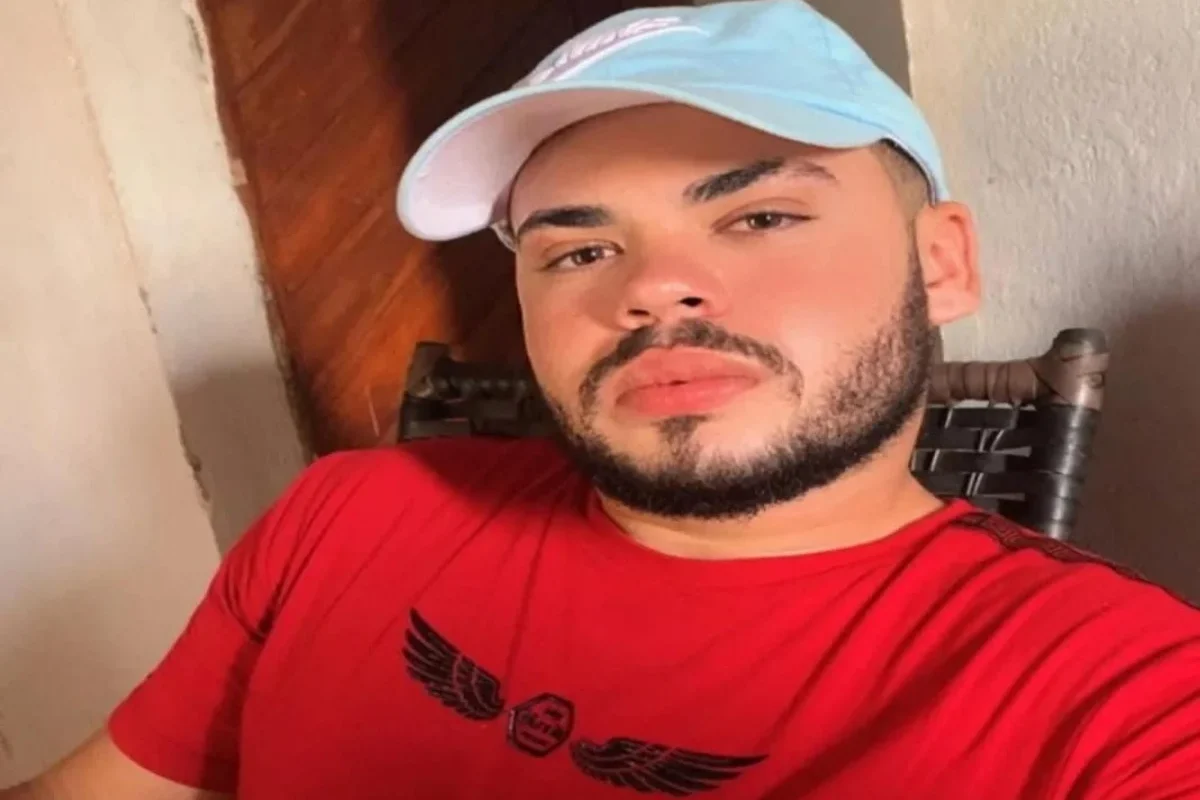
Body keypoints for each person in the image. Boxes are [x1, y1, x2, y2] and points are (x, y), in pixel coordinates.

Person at [5, 1, 1199, 798]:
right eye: (579, 250)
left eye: (758, 215)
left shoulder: (1116, 695)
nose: (652, 287)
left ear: (941, 264)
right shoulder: (346, 517)